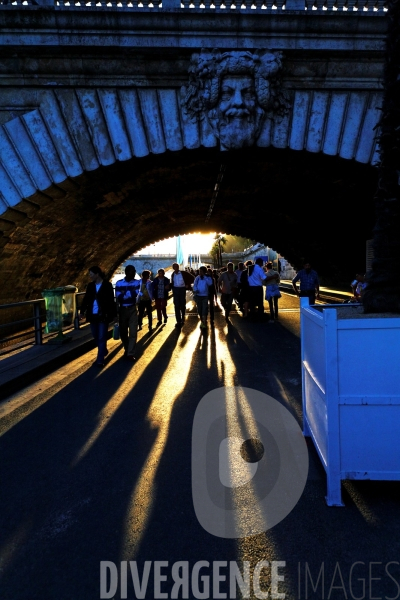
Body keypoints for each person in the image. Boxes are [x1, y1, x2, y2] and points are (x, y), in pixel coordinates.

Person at [79, 265, 117, 367]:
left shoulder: (107, 285)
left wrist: (114, 314)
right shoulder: (90, 286)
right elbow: (86, 300)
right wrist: (82, 312)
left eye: (91, 274)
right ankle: (103, 350)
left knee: (101, 337)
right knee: (95, 335)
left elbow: (111, 301)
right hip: (92, 315)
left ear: (97, 274)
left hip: (103, 315)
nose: (90, 276)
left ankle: (100, 360)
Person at [115, 264, 141, 362]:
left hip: (132, 309)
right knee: (123, 332)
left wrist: (124, 292)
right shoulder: (119, 283)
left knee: (133, 332)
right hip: (122, 310)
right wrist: (128, 293)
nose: (134, 273)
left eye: (134, 272)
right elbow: (118, 296)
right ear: (126, 273)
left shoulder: (137, 282)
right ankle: (127, 347)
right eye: (132, 272)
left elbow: (135, 294)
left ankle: (130, 353)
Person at [170, 263, 195, 328]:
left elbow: (192, 278)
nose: (176, 267)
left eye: (177, 266)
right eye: (174, 266)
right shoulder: (173, 274)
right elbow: (172, 282)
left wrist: (187, 284)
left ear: (178, 267)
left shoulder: (183, 273)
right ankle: (178, 321)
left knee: (182, 304)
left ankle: (183, 316)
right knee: (176, 305)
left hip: (182, 289)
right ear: (173, 268)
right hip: (175, 290)